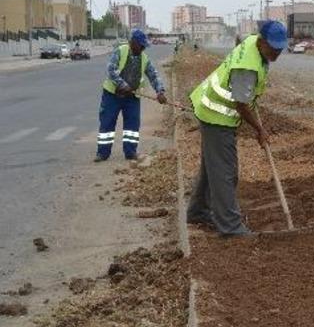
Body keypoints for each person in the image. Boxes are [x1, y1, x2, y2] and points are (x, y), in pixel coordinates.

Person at [186, 20, 286, 236]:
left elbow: (241, 41)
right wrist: (259, 129)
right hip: (216, 116)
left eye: (280, 49)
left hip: (210, 107)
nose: (277, 53)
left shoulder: (251, 41)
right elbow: (241, 104)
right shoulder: (246, 68)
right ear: (261, 42)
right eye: (273, 48)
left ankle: (197, 211)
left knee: (211, 166)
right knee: (225, 172)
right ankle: (230, 227)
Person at [96, 30, 167, 162]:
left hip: (132, 97)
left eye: (144, 46)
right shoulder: (121, 51)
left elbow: (154, 75)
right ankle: (102, 153)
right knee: (107, 123)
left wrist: (160, 91)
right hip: (112, 95)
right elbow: (111, 70)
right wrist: (123, 85)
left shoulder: (144, 58)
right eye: (141, 45)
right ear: (133, 43)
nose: (143, 48)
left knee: (132, 126)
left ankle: (130, 152)